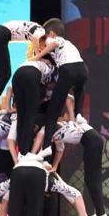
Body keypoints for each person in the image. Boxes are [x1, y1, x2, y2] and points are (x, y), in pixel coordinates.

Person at [30, 18, 88, 153]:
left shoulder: (54, 39)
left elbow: (53, 44)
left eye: (44, 37)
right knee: (79, 88)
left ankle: (46, 148)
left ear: (51, 33)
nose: (44, 42)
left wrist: (37, 56)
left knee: (53, 111)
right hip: (83, 70)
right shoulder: (68, 45)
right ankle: (79, 114)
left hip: (69, 70)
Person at [49, 109, 107, 216]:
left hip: (91, 140)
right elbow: (60, 149)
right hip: (93, 139)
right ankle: (100, 213)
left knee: (92, 179)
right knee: (92, 178)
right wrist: (55, 167)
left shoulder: (54, 127)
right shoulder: (61, 128)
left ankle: (101, 214)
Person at [0, 20, 46, 113]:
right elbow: (36, 38)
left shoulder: (34, 30)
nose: (43, 48)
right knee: (5, 74)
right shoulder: (41, 31)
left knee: (0, 75)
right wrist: (39, 57)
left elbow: (32, 50)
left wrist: (36, 56)